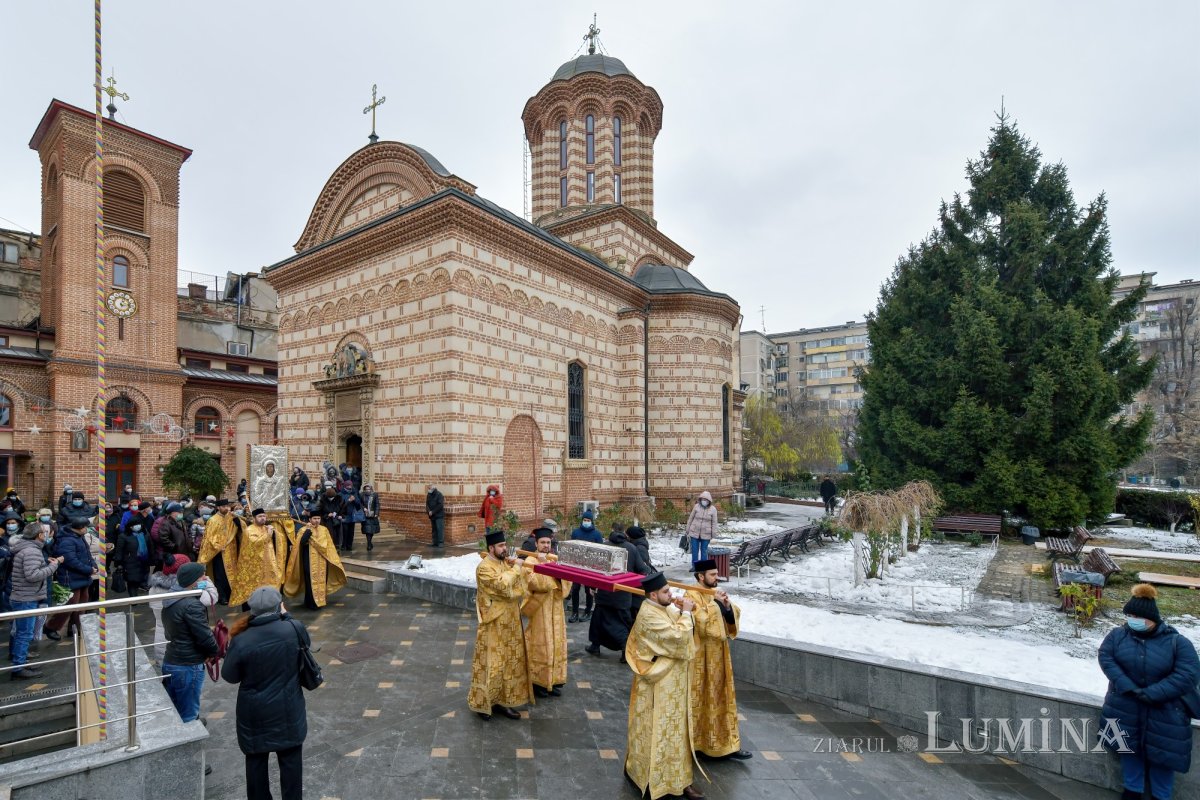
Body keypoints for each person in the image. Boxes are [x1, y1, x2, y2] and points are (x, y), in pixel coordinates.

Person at [1099, 583, 1200, 800]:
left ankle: (1161, 796)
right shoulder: (1117, 636)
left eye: (1136, 615)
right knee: (1129, 749)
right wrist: (1127, 686)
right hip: (1126, 705)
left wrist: (1153, 693)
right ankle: (1132, 791)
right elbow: (1106, 658)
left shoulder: (1178, 643)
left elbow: (1188, 674)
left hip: (1165, 710)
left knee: (1163, 756)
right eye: (1129, 614)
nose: (1130, 619)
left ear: (1150, 618)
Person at [222, 586, 309, 800]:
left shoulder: (242, 640)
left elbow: (230, 676)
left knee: (256, 762)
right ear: (279, 605)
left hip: (254, 713)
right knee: (291, 763)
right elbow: (304, 648)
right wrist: (285, 615)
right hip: (288, 709)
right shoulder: (295, 629)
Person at [624, 571, 704, 800]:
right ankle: (654, 781)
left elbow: (679, 619)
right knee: (657, 732)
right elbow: (678, 638)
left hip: (674, 686)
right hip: (658, 685)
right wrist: (686, 614)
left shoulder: (663, 607)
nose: (672, 595)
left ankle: (679, 780)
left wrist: (684, 611)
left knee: (677, 733)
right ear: (653, 594)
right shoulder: (648, 615)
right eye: (666, 592)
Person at [687, 559, 751, 760]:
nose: (717, 577)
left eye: (716, 574)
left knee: (722, 697)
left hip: (720, 656)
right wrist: (716, 605)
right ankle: (700, 745)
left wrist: (726, 607)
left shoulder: (715, 593)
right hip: (700, 658)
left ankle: (727, 744)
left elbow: (733, 615)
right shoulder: (690, 594)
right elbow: (703, 625)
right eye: (713, 574)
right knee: (703, 699)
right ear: (700, 576)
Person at [468, 530, 531, 720]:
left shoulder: (505, 563)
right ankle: (483, 703)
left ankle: (505, 702)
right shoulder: (484, 568)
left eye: (505, 544)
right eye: (501, 545)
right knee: (492, 663)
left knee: (510, 664)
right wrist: (515, 570)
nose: (505, 548)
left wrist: (518, 571)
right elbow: (502, 587)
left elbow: (520, 589)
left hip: (511, 622)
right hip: (493, 623)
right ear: (491, 548)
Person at [161, 561, 219, 723]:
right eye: (202, 576)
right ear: (193, 581)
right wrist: (214, 652)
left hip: (172, 659)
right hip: (188, 665)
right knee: (189, 715)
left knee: (175, 708)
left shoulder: (169, 599)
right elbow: (204, 636)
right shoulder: (192, 605)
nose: (205, 578)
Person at [8, 522, 64, 679]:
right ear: (39, 535)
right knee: (24, 633)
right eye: (43, 533)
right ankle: (19, 667)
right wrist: (54, 565)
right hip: (26, 598)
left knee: (20, 632)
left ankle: (20, 661)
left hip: (23, 596)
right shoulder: (32, 551)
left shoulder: (26, 548)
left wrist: (46, 562)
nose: (45, 535)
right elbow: (33, 575)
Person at [522, 528, 570, 698]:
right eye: (542, 542)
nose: (545, 546)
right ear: (536, 544)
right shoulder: (529, 560)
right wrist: (544, 567)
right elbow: (535, 583)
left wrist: (556, 573)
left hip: (556, 609)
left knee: (556, 644)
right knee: (541, 646)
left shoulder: (555, 560)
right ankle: (538, 683)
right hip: (540, 609)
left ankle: (554, 681)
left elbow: (566, 582)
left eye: (548, 543)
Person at [586, 527, 647, 659]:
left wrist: (591, 586)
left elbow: (594, 570)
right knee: (623, 624)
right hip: (623, 595)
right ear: (625, 535)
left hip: (604, 593)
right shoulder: (631, 548)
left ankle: (595, 646)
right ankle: (625, 652)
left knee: (598, 621)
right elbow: (643, 570)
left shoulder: (603, 547)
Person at [284, 510, 346, 610]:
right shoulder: (304, 530)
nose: (317, 521)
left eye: (318, 519)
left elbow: (329, 545)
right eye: (314, 519)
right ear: (310, 519)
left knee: (322, 580)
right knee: (310, 581)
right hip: (308, 559)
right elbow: (302, 542)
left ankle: (320, 601)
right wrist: (308, 530)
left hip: (322, 559)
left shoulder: (324, 529)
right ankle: (311, 602)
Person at [45, 517, 96, 638]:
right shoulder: (67, 541)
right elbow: (71, 560)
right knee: (70, 604)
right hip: (71, 577)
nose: (87, 529)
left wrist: (92, 565)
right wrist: (88, 569)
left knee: (82, 605)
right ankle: (51, 627)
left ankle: (76, 628)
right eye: (85, 527)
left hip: (82, 577)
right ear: (79, 528)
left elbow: (87, 554)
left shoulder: (79, 537)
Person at [228, 509, 288, 609]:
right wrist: (268, 534)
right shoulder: (249, 530)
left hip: (269, 562)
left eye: (264, 516)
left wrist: (275, 533)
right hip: (254, 565)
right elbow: (255, 543)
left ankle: (270, 606)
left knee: (270, 585)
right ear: (254, 518)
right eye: (260, 516)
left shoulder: (266, 528)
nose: (263, 518)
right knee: (255, 588)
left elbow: (281, 538)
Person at [568, 509, 601, 623]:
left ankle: (587, 611)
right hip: (577, 565)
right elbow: (571, 547)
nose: (586, 522)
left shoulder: (596, 534)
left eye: (588, 520)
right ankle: (575, 612)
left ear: (592, 521)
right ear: (582, 521)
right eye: (584, 520)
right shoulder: (576, 532)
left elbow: (601, 550)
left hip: (590, 566)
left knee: (588, 590)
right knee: (575, 588)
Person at [115, 513, 153, 597]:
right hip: (130, 563)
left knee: (142, 579)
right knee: (132, 582)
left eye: (139, 524)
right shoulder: (123, 536)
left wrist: (152, 559)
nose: (137, 526)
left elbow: (150, 547)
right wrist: (119, 563)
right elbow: (119, 550)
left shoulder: (145, 534)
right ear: (130, 526)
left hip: (144, 562)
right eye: (135, 525)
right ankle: (133, 599)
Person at [685, 491, 718, 564]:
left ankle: (703, 568)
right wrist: (688, 528)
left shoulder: (713, 509)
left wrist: (714, 535)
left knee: (704, 550)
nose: (704, 501)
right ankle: (695, 566)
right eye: (703, 499)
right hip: (694, 532)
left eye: (706, 500)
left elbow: (714, 523)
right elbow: (691, 518)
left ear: (709, 501)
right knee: (694, 550)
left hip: (706, 533)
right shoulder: (696, 506)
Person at [314, 481, 345, 550]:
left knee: (337, 536)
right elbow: (319, 511)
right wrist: (327, 515)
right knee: (328, 534)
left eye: (332, 497)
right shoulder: (323, 499)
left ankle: (336, 547)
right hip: (326, 521)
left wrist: (341, 516)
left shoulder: (339, 499)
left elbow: (342, 509)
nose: (331, 499)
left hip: (336, 521)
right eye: (329, 497)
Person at [337, 480, 362, 553]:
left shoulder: (354, 493)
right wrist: (348, 501)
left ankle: (349, 546)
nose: (349, 487)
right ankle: (343, 545)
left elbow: (358, 506)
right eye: (348, 485)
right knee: (345, 531)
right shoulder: (340, 494)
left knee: (351, 532)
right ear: (345, 486)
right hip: (344, 515)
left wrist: (354, 500)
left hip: (352, 516)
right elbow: (340, 506)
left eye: (350, 485)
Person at [359, 483, 380, 551]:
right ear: (364, 489)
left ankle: (370, 542)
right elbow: (360, 503)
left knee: (372, 530)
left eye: (369, 489)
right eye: (366, 489)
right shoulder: (362, 495)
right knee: (367, 530)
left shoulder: (374, 495)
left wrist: (376, 513)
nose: (367, 490)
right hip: (366, 515)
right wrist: (363, 508)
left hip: (373, 515)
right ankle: (368, 543)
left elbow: (377, 504)